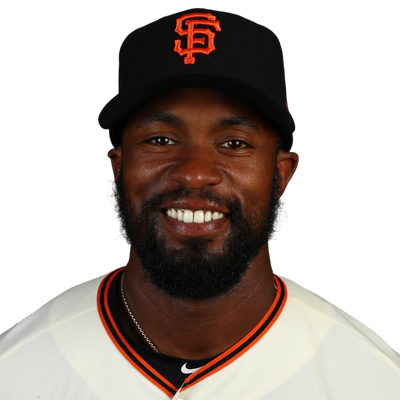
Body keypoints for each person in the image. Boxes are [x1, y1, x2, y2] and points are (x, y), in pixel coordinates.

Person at [1, 8, 399, 399]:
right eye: (161, 140)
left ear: (281, 173)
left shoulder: (373, 380)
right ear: (118, 165)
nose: (193, 173)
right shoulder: (16, 369)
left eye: (234, 144)